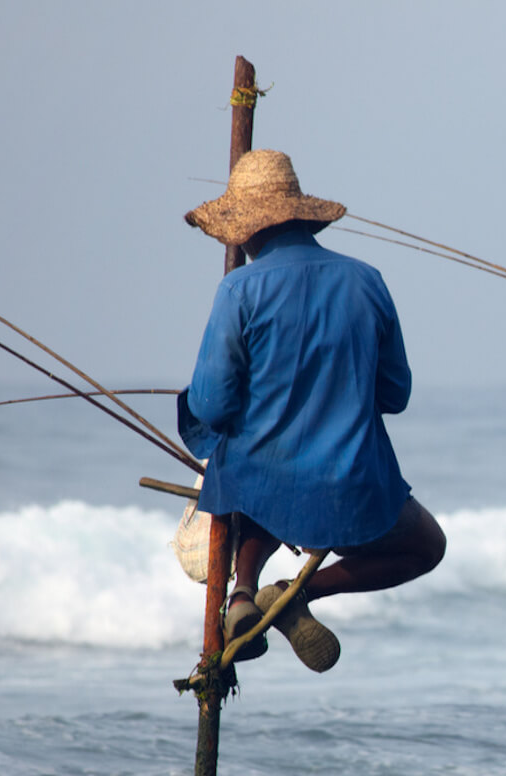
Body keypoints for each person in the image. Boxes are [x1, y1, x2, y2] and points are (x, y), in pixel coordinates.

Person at [177, 149, 445, 672]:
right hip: (353, 484)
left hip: (262, 482)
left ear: (245, 229)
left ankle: (245, 592)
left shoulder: (239, 288)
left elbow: (212, 405)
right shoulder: (367, 280)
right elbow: (396, 395)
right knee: (425, 546)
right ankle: (297, 592)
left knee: (255, 469)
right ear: (301, 215)